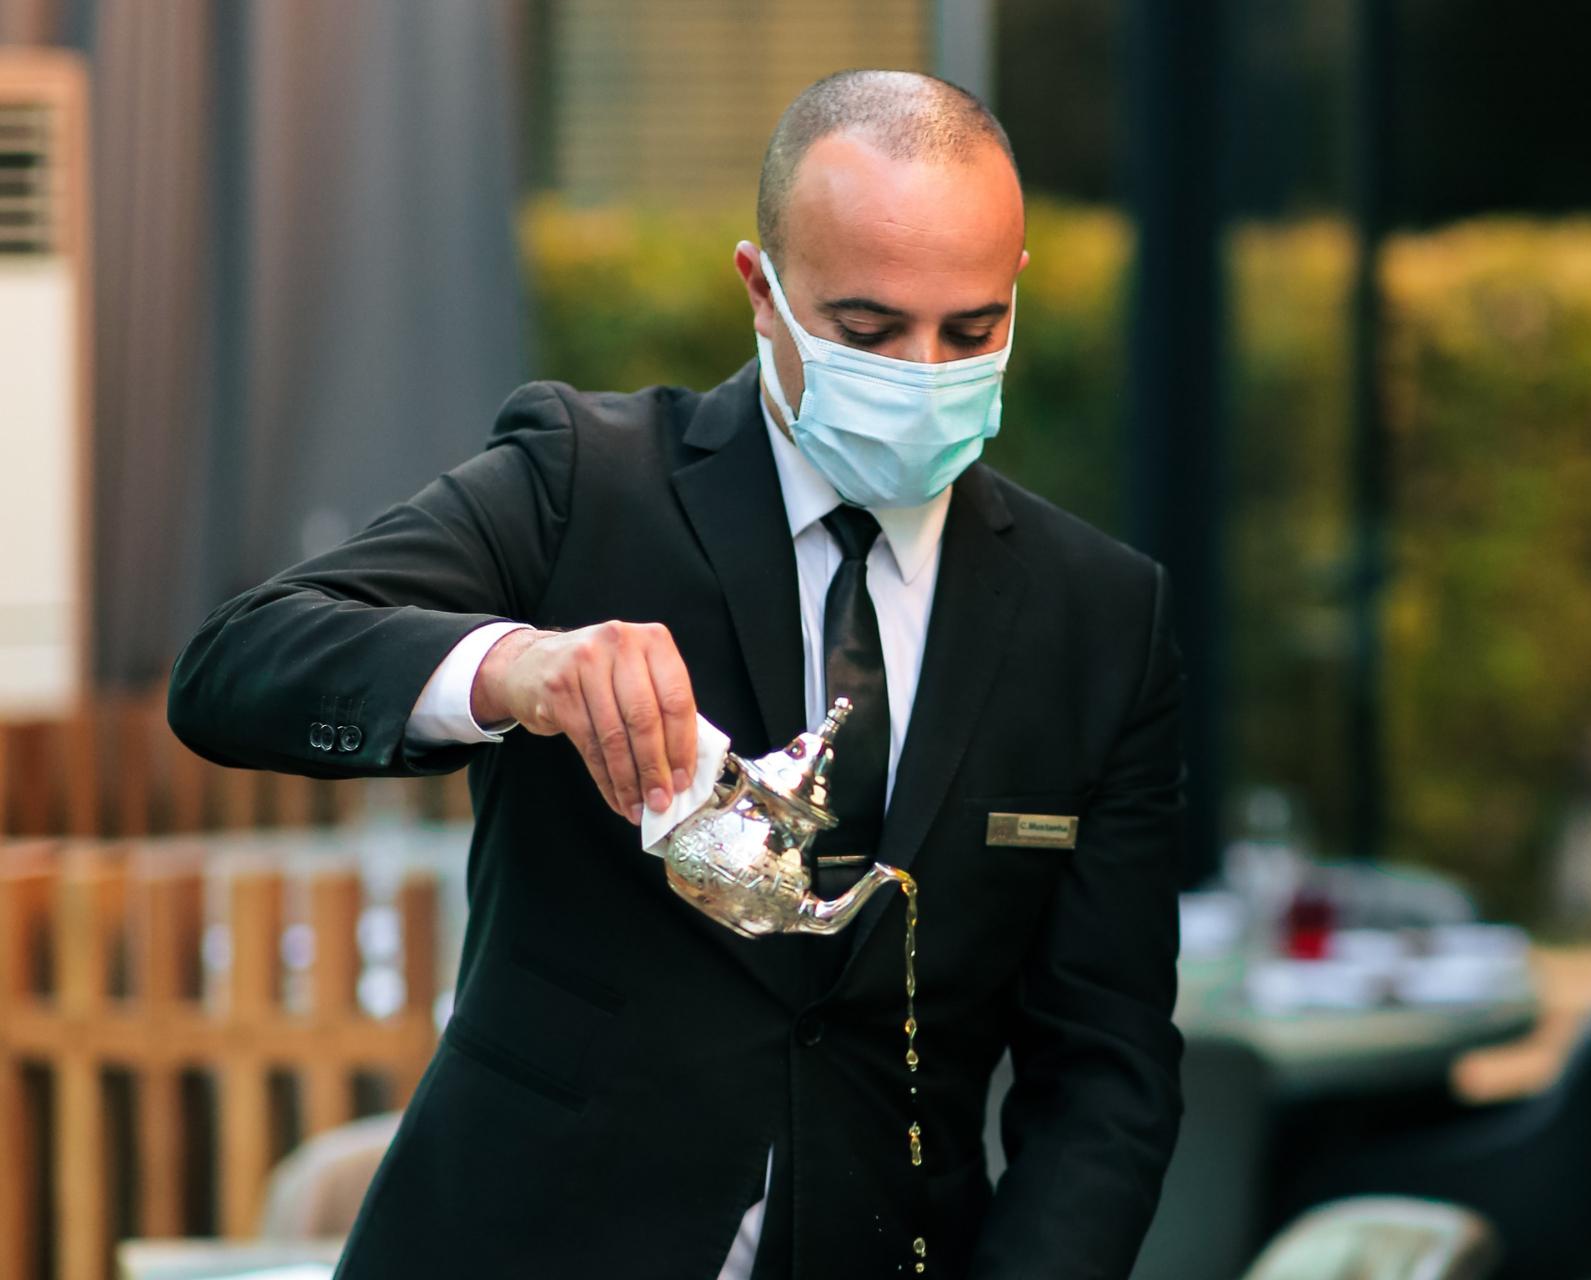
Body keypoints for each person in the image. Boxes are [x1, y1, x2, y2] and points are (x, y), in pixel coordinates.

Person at [169, 68, 1186, 1279]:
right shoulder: (582, 482)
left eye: (970, 331)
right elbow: (236, 661)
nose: (922, 371)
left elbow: (1105, 1072)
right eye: (866, 330)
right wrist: (516, 667)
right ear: (761, 291)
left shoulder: (1100, 614)